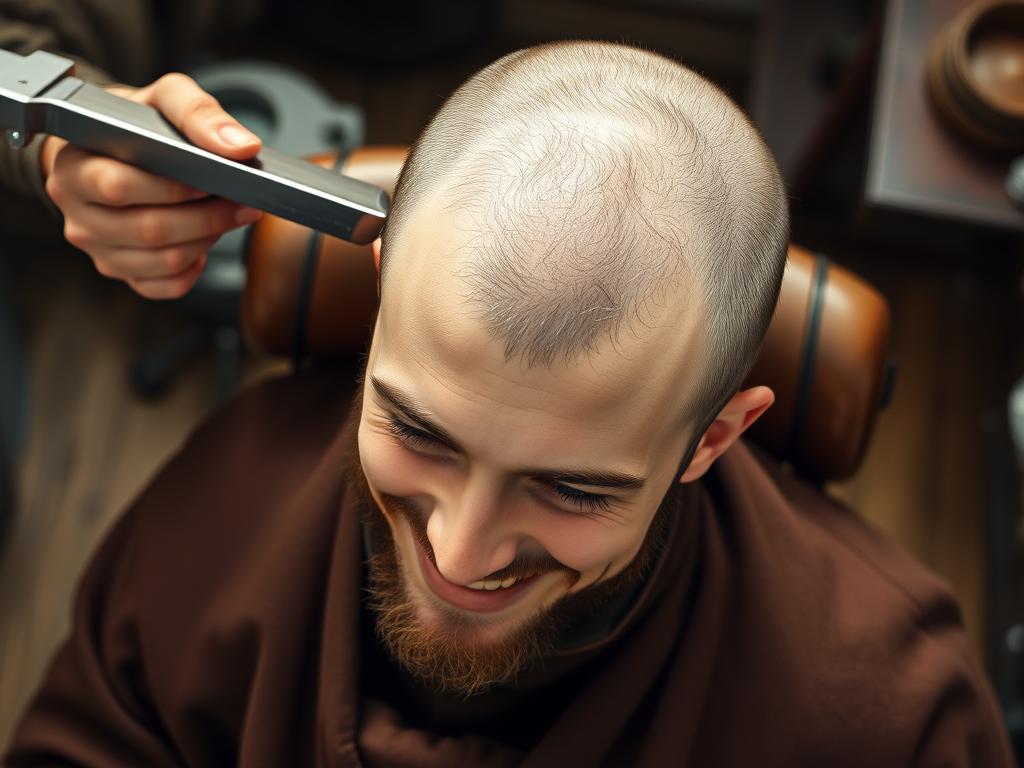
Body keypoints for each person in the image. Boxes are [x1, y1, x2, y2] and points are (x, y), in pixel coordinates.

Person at [3, 39, 1015, 767]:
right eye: (416, 430)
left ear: (714, 435)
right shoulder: (219, 510)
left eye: (572, 490)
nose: (461, 553)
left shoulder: (887, 715)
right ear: (382, 298)